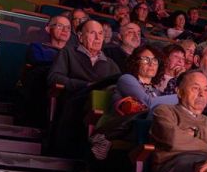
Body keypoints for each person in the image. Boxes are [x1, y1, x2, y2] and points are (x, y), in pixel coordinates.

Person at [47, 20, 122, 154]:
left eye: (100, 34)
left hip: (103, 105)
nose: (98, 38)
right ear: (81, 37)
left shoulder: (110, 63)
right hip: (76, 98)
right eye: (93, 33)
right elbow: (54, 78)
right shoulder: (68, 53)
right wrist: (85, 85)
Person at [90, 46, 165, 159]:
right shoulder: (127, 79)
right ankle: (102, 137)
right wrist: (180, 97)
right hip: (124, 128)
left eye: (155, 60)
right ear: (135, 62)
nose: (152, 64)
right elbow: (148, 103)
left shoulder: (156, 91)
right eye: (146, 59)